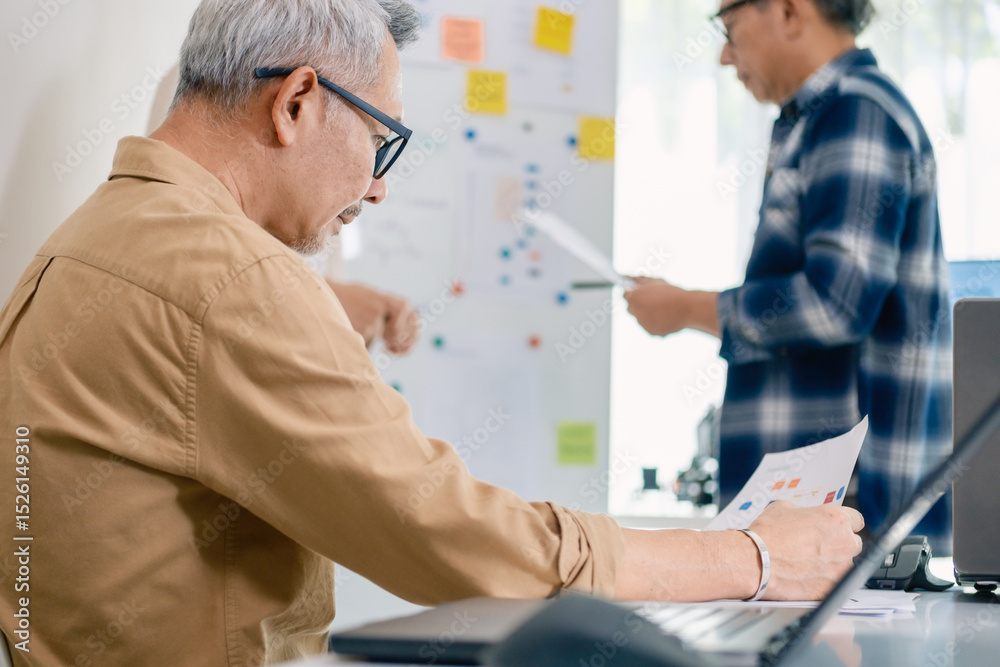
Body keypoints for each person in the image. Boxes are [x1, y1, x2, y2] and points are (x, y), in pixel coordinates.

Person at [0, 1, 863, 665]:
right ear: (297, 101)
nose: (377, 190)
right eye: (382, 141)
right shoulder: (232, 281)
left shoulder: (87, 242)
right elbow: (455, 536)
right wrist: (748, 556)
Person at [624, 0, 952, 551]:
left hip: (853, 514)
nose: (726, 57)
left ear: (789, 12)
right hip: (830, 516)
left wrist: (684, 309)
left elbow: (834, 304)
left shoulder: (856, 113)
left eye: (729, 30)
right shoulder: (819, 119)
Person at [148, 65, 421, 356]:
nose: (378, 193)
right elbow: (179, 254)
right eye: (372, 140)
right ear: (293, 107)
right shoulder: (207, 85)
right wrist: (324, 304)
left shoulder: (324, 203)